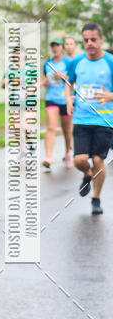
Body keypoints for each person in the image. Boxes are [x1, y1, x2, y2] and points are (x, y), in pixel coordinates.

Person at [65, 22, 113, 215]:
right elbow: (69, 82)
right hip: (81, 118)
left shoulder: (110, 61)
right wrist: (68, 97)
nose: (90, 43)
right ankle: (88, 174)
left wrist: (110, 96)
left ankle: (96, 199)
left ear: (101, 39)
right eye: (86, 40)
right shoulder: (76, 62)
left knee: (98, 159)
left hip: (104, 119)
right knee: (79, 160)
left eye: (93, 39)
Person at [41, 37, 72, 170]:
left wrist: (63, 77)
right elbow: (44, 78)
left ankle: (68, 152)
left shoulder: (69, 62)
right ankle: (48, 157)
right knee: (51, 127)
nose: (55, 48)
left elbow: (74, 81)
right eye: (53, 45)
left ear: (62, 47)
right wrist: (44, 82)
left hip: (65, 99)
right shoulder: (47, 63)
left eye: (57, 45)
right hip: (51, 98)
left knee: (66, 130)